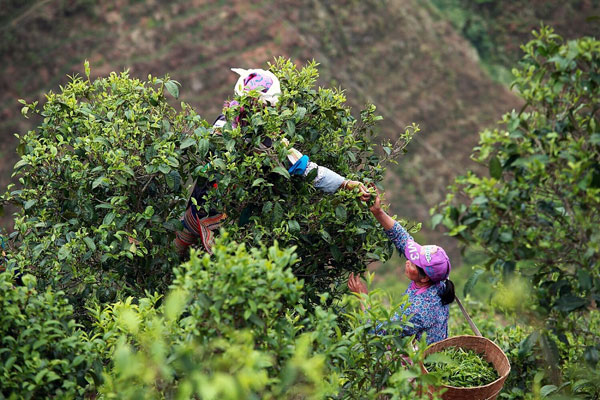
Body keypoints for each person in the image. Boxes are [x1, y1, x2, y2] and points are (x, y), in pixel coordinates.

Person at [174, 68, 370, 257]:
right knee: (208, 260)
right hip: (216, 215)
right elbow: (309, 170)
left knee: (188, 248)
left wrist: (344, 183)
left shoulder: (230, 126)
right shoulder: (259, 139)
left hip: (211, 211)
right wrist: (345, 183)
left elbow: (308, 169)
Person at [348, 189, 455, 345]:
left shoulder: (419, 309)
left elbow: (376, 330)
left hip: (424, 362)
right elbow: (402, 238)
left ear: (425, 277)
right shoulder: (438, 277)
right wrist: (378, 212)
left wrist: (363, 297)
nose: (408, 260)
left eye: (413, 262)